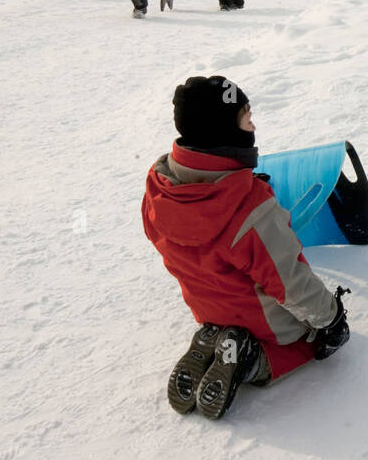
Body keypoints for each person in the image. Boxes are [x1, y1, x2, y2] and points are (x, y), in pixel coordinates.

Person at [144, 75, 349, 420]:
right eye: (246, 117)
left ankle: (216, 335)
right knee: (306, 341)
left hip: (207, 307)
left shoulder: (159, 187)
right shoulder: (250, 208)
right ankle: (252, 360)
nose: (253, 125)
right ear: (225, 132)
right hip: (263, 321)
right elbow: (289, 281)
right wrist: (331, 319)